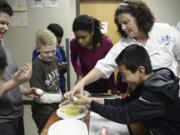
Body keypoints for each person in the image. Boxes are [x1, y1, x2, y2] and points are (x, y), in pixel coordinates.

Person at [68, 0, 180, 98]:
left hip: (171, 90)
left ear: (140, 17)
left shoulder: (165, 30)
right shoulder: (124, 44)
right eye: (121, 24)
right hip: (143, 94)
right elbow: (104, 65)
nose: (123, 27)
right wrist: (82, 82)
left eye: (126, 22)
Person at [72, 44, 180, 135]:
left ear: (140, 71)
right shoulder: (149, 81)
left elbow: (124, 114)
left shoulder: (157, 92)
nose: (123, 80)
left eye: (124, 75)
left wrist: (91, 103)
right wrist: (91, 100)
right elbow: (125, 102)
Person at [0, 1, 38, 135]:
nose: (5, 28)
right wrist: (15, 81)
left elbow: (9, 81)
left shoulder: (6, 51)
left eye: (7, 24)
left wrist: (25, 90)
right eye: (1, 23)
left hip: (17, 115)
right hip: (3, 121)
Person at [70, 15, 115, 93]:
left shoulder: (106, 43)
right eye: (77, 37)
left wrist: (112, 87)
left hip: (102, 80)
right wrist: (79, 76)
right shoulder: (74, 43)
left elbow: (110, 67)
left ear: (92, 32)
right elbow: (74, 59)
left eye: (83, 37)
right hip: (86, 78)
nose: (79, 41)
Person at [29, 29, 63, 133]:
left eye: (53, 51)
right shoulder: (36, 67)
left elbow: (56, 83)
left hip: (55, 106)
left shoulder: (55, 59)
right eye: (46, 52)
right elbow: (39, 97)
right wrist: (61, 97)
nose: (50, 55)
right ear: (38, 49)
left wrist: (61, 98)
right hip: (42, 111)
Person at [47, 23, 67, 94]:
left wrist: (64, 67)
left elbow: (65, 67)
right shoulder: (38, 51)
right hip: (47, 87)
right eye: (56, 42)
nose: (57, 45)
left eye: (59, 41)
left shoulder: (61, 50)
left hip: (61, 84)